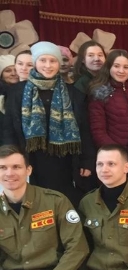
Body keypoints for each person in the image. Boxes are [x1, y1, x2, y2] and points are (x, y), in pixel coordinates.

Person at [2, 41, 95, 207]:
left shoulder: (73, 93)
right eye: (43, 60)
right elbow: (9, 129)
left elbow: (84, 129)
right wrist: (12, 161)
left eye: (53, 61)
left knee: (64, 204)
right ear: (35, 62)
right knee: (35, 206)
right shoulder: (17, 92)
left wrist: (87, 161)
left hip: (64, 162)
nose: (48, 65)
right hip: (31, 160)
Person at [88, 49, 128, 151]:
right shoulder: (100, 93)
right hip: (112, 153)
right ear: (109, 67)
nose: (121, 71)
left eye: (126, 67)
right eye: (116, 66)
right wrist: (116, 153)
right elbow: (98, 132)